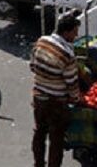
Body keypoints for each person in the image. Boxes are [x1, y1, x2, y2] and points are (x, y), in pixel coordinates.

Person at [29, 15, 81, 167]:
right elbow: (72, 84)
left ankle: (38, 164)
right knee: (56, 140)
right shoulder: (67, 55)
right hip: (57, 103)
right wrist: (76, 99)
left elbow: (32, 66)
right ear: (66, 32)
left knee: (39, 132)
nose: (76, 35)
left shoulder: (41, 41)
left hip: (39, 98)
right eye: (74, 32)